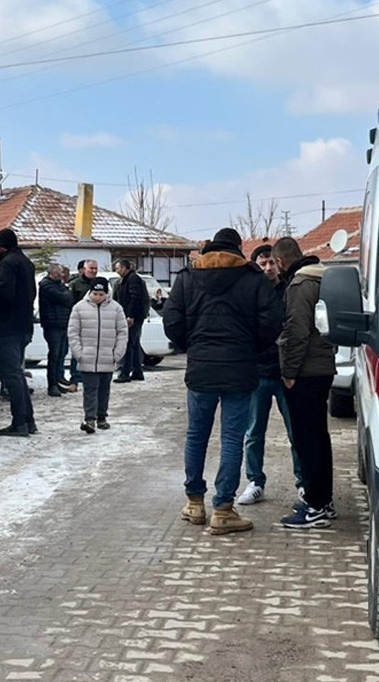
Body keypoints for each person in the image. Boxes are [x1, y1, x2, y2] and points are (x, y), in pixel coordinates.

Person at [163, 227, 282, 535]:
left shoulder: (188, 277)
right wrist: (250, 348)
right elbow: (272, 323)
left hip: (201, 369)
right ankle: (223, 510)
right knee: (231, 439)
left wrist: (193, 346)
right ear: (238, 249)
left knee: (196, 435)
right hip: (240, 370)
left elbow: (172, 321)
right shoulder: (253, 279)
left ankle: (194, 503)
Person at [272, 236, 338, 529]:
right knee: (319, 438)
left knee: (307, 440)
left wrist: (289, 371)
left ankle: (314, 507)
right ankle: (324, 500)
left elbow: (296, 332)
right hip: (323, 367)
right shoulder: (323, 278)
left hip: (306, 372)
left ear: (280, 262)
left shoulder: (300, 286)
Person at [236, 244, 303, 507]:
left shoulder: (290, 289)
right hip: (258, 374)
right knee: (253, 432)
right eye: (262, 263)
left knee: (295, 431)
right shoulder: (250, 292)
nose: (267, 268)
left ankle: (303, 482)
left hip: (287, 373)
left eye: (271, 263)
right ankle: (255, 481)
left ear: (278, 263)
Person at [0, 228, 37, 436]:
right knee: (18, 374)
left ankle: (20, 422)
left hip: (8, 326)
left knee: (12, 376)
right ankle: (28, 420)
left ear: (2, 245)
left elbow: (5, 294)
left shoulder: (8, 264)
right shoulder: (26, 263)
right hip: (24, 325)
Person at [68, 278, 128, 434]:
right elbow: (73, 332)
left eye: (101, 294)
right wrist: (78, 353)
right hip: (87, 357)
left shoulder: (116, 309)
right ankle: (89, 418)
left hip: (107, 357)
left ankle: (102, 416)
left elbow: (122, 332)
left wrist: (117, 353)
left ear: (106, 294)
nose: (98, 297)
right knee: (90, 389)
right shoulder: (79, 308)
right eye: (95, 293)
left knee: (103, 389)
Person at [38, 264, 73, 397]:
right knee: (54, 355)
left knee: (60, 355)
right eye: (60, 272)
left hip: (62, 323)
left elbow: (69, 298)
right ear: (54, 273)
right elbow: (64, 297)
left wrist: (66, 293)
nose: (62, 274)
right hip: (52, 324)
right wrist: (66, 293)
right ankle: (52, 385)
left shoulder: (58, 284)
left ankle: (57, 381)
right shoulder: (46, 285)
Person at [112, 259, 150, 383]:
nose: (116, 271)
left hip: (133, 316)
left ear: (124, 268)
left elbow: (135, 298)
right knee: (134, 344)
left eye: (117, 268)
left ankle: (125, 373)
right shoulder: (126, 280)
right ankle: (137, 372)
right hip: (132, 315)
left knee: (128, 344)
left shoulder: (133, 279)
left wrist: (130, 315)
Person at [65, 259, 99, 391]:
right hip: (80, 322)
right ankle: (75, 378)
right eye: (91, 268)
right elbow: (70, 304)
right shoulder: (75, 284)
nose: (94, 271)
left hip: (96, 322)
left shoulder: (100, 283)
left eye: (95, 268)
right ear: (84, 269)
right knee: (77, 352)